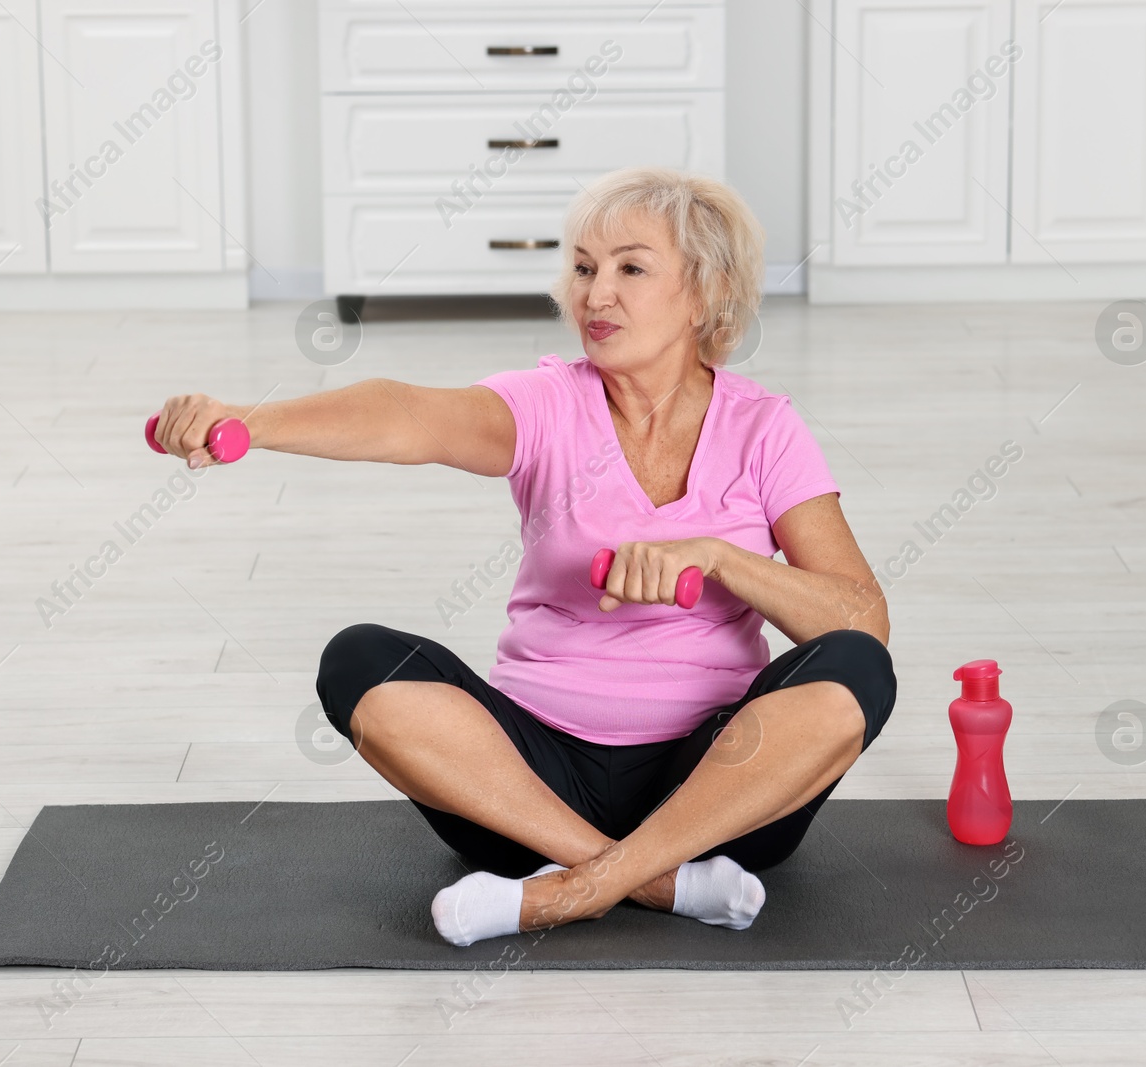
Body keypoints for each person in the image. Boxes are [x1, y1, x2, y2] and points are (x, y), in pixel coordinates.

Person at [152, 166, 896, 948]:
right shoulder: (549, 404)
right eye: (582, 267)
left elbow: (861, 618)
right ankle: (653, 881)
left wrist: (715, 557)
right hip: (530, 786)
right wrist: (252, 419)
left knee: (856, 669)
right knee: (358, 661)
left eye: (630, 268)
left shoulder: (764, 429)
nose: (595, 293)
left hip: (719, 789)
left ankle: (568, 892)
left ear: (705, 293)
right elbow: (409, 414)